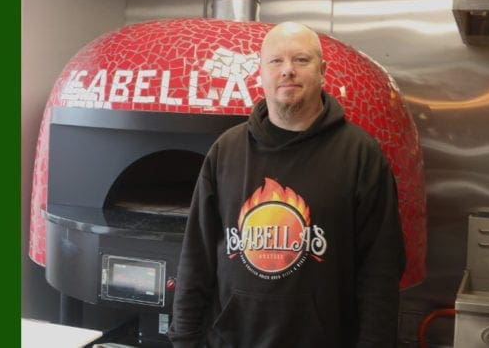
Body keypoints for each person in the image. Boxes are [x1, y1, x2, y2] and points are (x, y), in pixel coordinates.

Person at [168, 22, 406, 347]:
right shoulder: (226, 152)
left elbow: (380, 272)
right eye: (276, 61)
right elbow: (197, 257)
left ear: (322, 71)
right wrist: (183, 339)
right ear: (261, 72)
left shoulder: (360, 154)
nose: (288, 71)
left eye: (301, 60)